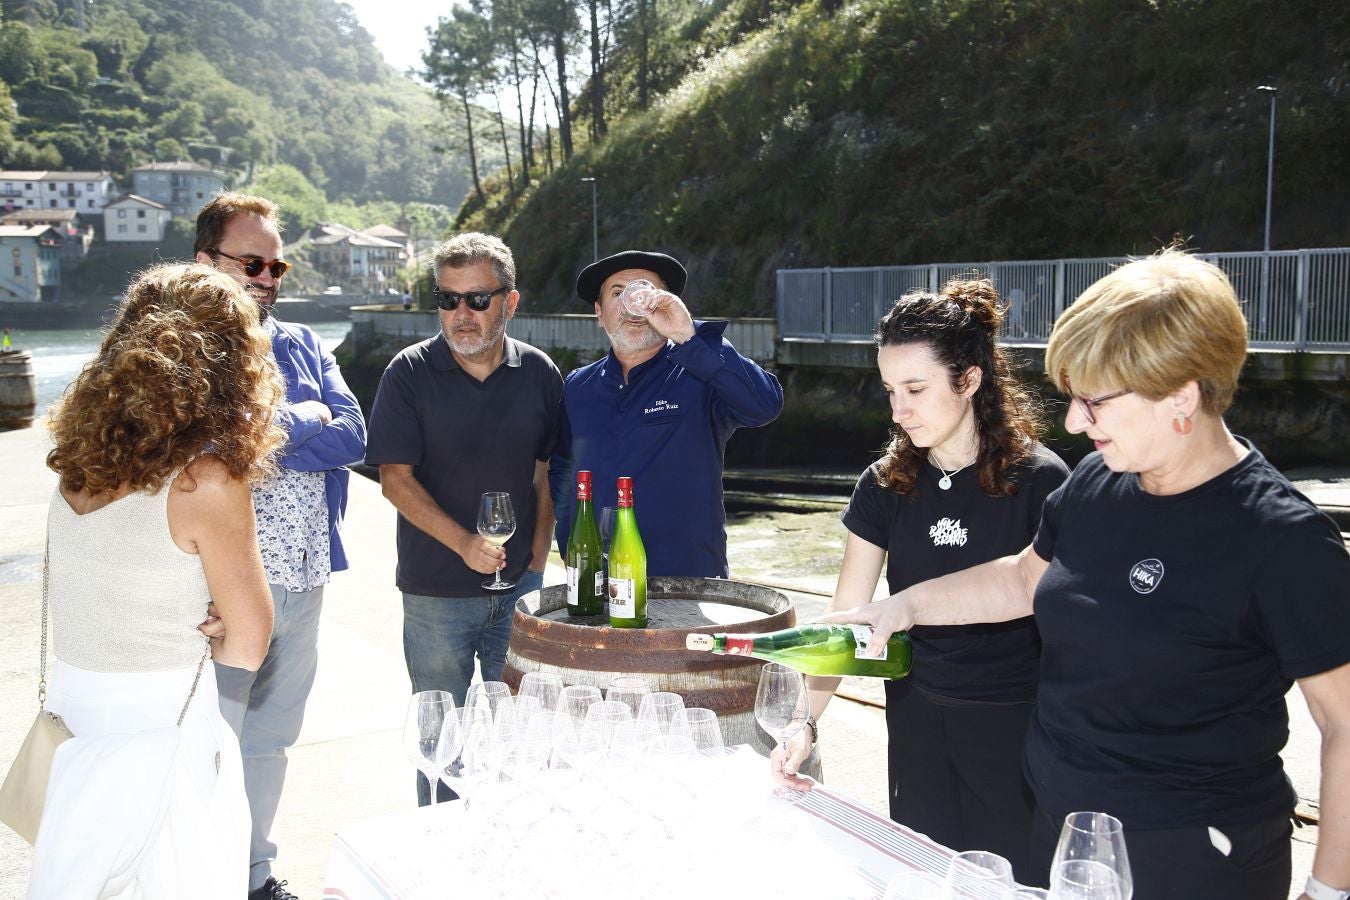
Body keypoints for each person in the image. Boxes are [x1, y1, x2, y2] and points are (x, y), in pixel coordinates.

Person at [819, 250, 1350, 899]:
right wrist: (904, 607)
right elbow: (1020, 579)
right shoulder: (1100, 481)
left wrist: (1330, 888)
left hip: (1192, 858)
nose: (1073, 422)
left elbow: (1345, 725)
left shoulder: (1283, 538)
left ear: (1180, 395)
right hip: (1063, 832)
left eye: (1094, 402)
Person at [771, 280, 1069, 881]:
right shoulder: (884, 483)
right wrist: (805, 721)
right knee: (923, 880)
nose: (897, 411)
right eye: (889, 391)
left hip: (1016, 730)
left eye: (915, 389)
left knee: (1011, 886)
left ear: (969, 381)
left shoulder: (1041, 481)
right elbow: (847, 619)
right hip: (915, 722)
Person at [30, 263, 281, 897]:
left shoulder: (78, 467)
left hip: (73, 715)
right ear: (227, 365)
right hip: (161, 723)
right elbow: (249, 645)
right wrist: (217, 621)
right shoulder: (205, 481)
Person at [195, 192, 367, 900]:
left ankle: (253, 875)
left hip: (303, 574)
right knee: (204, 745)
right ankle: (196, 877)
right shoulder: (183, 351)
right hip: (217, 586)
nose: (268, 276)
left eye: (277, 263)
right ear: (206, 263)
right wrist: (305, 416)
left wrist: (263, 432)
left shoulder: (301, 343)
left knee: (269, 739)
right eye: (252, 261)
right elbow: (208, 447)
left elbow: (356, 437)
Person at [364, 232, 562, 804]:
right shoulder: (408, 373)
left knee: (522, 730)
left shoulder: (541, 373)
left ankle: (509, 849)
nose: (462, 314)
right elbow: (394, 479)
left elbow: (544, 472)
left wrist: (539, 554)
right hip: (435, 596)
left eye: (477, 299)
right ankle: (438, 851)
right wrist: (463, 544)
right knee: (439, 740)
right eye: (448, 300)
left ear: (510, 302)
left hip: (521, 588)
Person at [549, 250, 784, 577]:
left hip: (689, 583)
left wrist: (689, 337)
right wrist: (571, 544)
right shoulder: (577, 386)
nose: (632, 304)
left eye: (645, 291)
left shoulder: (700, 373)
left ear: (664, 302)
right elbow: (562, 470)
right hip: (598, 580)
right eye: (617, 293)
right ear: (599, 312)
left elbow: (764, 406)